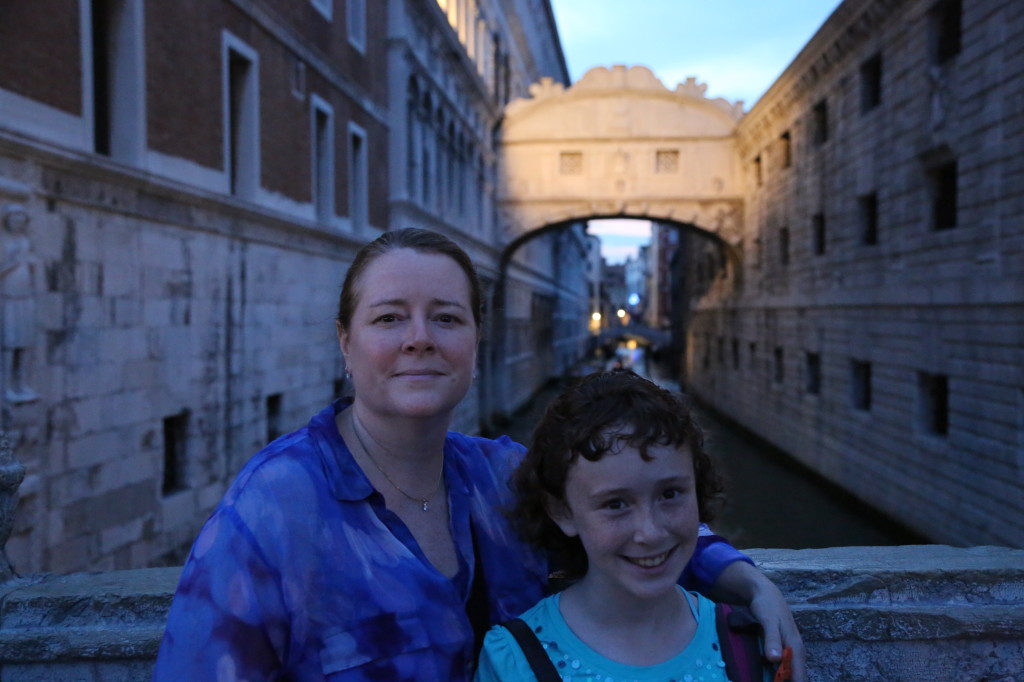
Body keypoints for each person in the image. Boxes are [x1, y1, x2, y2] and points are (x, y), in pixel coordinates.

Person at [152, 228, 804, 681]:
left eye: (445, 317)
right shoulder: (273, 508)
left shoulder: (497, 476)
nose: (419, 340)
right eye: (388, 319)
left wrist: (747, 582)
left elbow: (639, 519)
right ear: (346, 344)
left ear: (475, 341)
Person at [475, 370, 785, 682]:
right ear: (562, 512)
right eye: (616, 504)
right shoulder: (513, 662)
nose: (649, 532)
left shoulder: (748, 642)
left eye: (669, 494)